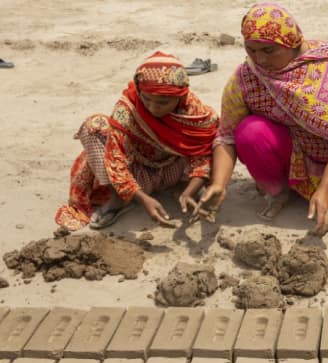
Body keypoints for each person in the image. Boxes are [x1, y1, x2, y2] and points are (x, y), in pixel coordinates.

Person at [199, 2, 328, 235]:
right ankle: (278, 190)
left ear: (293, 43)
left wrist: (326, 189)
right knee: (250, 132)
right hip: (293, 156)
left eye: (269, 51)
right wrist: (219, 184)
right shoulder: (246, 78)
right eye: (251, 50)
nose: (259, 60)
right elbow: (226, 136)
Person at [55, 51, 219, 231]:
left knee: (217, 136)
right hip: (138, 172)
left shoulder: (195, 113)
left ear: (180, 96)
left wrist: (191, 190)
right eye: (146, 99)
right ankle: (119, 200)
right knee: (94, 126)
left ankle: (185, 191)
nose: (153, 107)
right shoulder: (128, 108)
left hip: (176, 169)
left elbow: (202, 155)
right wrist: (142, 198)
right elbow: (115, 160)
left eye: (163, 102)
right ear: (139, 90)